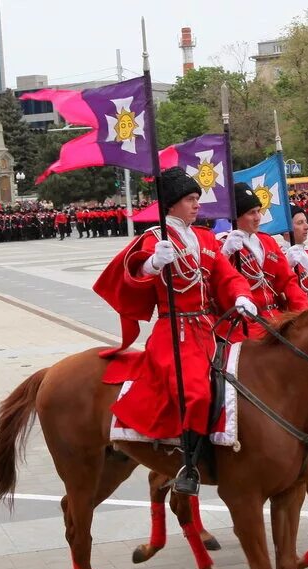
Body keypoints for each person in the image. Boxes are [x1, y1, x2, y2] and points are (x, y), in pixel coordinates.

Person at [94, 167, 256, 496]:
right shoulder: (154, 239)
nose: (197, 205)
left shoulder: (206, 239)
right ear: (172, 204)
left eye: (197, 199)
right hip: (175, 330)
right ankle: (190, 465)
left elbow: (225, 276)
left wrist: (242, 295)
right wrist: (151, 264)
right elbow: (130, 275)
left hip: (209, 328)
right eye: (190, 199)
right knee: (195, 393)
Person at [218, 183, 308, 338]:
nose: (258, 217)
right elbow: (218, 284)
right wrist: (224, 254)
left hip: (276, 317)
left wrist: (305, 315)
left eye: (258, 211)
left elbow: (288, 281)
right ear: (236, 217)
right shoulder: (223, 243)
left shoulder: (267, 241)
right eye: (251, 213)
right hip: (245, 321)